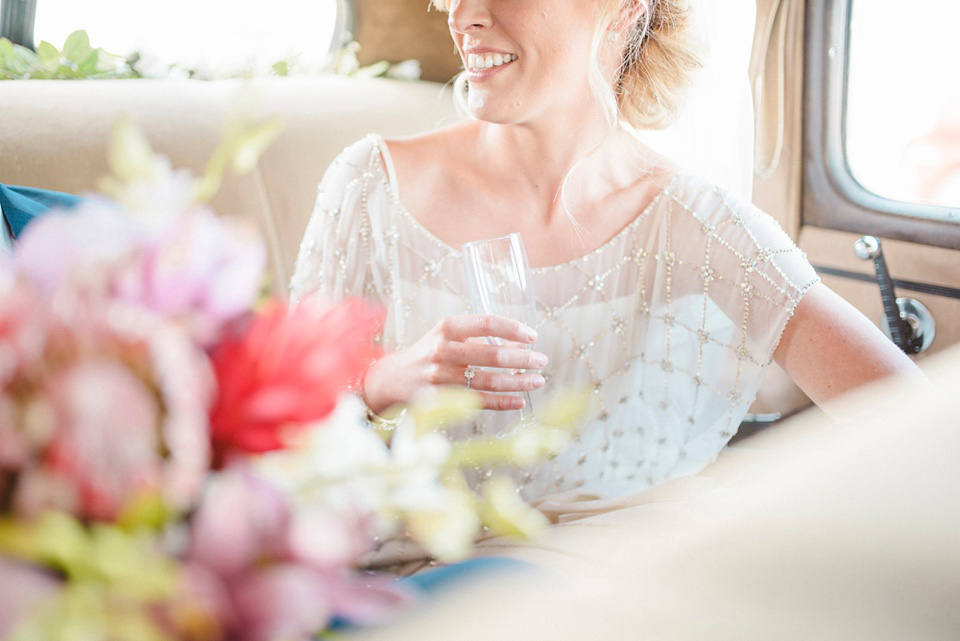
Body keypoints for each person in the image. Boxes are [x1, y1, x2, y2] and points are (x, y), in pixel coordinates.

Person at [290, 0, 919, 515]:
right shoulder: (372, 185)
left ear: (624, 9)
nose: (464, 13)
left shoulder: (703, 226)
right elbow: (282, 432)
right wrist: (383, 379)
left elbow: (915, 425)